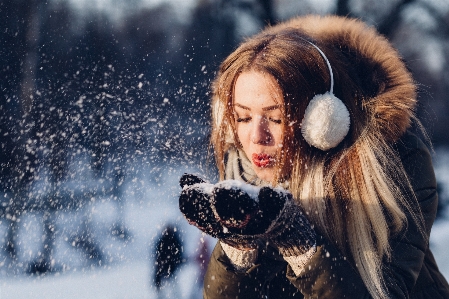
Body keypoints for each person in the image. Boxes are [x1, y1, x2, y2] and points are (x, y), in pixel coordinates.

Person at [178, 15, 449, 299]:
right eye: (243, 117)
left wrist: (301, 246)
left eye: (275, 117)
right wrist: (238, 249)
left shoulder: (396, 166)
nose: (257, 137)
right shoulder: (244, 170)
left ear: (321, 120)